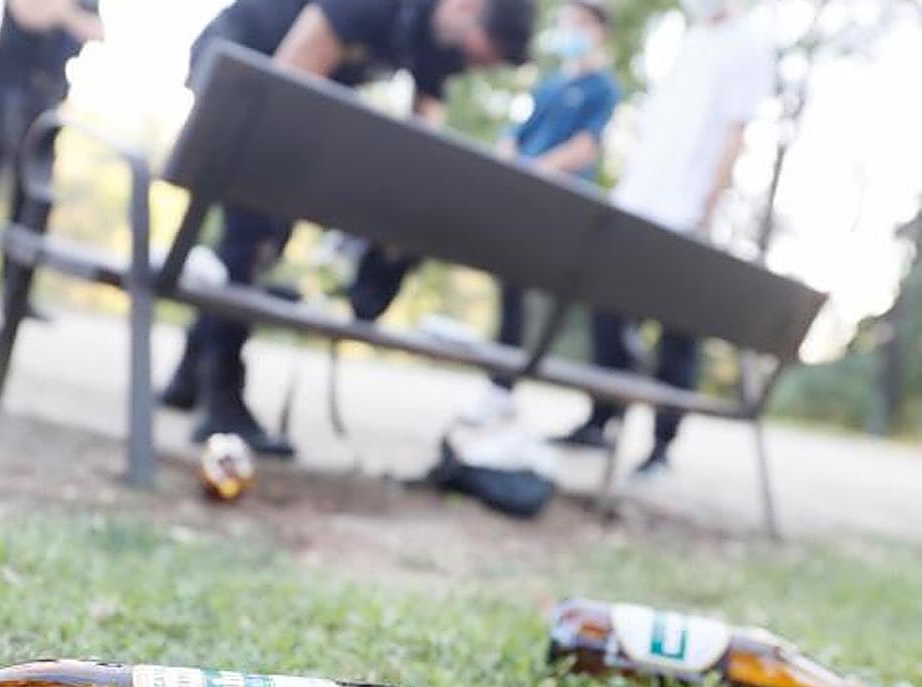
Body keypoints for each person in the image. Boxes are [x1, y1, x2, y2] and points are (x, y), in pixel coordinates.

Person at [161, 0, 538, 457]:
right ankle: (219, 397)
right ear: (468, 6)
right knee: (257, 225)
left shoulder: (438, 45)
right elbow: (287, 85)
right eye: (488, 50)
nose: (483, 64)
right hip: (242, 59)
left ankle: (190, 377)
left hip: (299, 81)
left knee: (267, 233)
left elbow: (423, 154)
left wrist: (391, 229)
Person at [553, 0, 775, 476]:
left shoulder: (749, 45)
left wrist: (706, 207)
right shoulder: (689, 39)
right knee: (606, 311)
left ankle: (661, 446)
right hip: (640, 201)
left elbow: (735, 133)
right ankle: (601, 417)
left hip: (686, 210)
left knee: (678, 332)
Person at [459, 0, 619, 427]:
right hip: (520, 199)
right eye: (568, 21)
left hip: (560, 204)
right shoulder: (548, 84)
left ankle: (594, 409)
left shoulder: (602, 87)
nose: (572, 29)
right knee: (509, 291)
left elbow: (585, 147)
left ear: (600, 30)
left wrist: (537, 169)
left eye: (581, 23)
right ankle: (501, 386)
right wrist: (510, 157)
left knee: (551, 298)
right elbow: (516, 132)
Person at [0, 0, 104, 307]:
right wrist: (67, 13)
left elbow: (97, 31)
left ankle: (15, 295)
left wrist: (58, 11)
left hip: (46, 97)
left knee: (32, 200)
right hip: (7, 91)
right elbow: (28, 15)